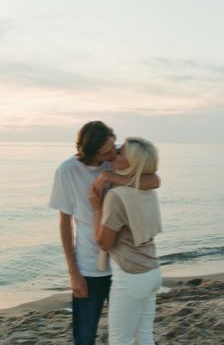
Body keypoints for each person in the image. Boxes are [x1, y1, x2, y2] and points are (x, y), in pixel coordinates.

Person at [49, 121, 160, 345]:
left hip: (123, 266)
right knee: (84, 335)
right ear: (88, 152)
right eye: (107, 151)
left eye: (114, 146)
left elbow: (153, 180)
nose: (112, 153)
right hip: (90, 266)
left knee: (128, 334)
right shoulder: (66, 171)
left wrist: (110, 177)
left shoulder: (120, 157)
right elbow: (64, 223)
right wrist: (73, 272)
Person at [89, 137, 162, 345]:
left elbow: (104, 243)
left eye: (120, 152)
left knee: (120, 340)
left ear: (131, 164)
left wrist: (96, 207)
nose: (115, 152)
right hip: (152, 270)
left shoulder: (117, 196)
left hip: (131, 275)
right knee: (144, 335)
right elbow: (154, 179)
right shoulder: (146, 188)